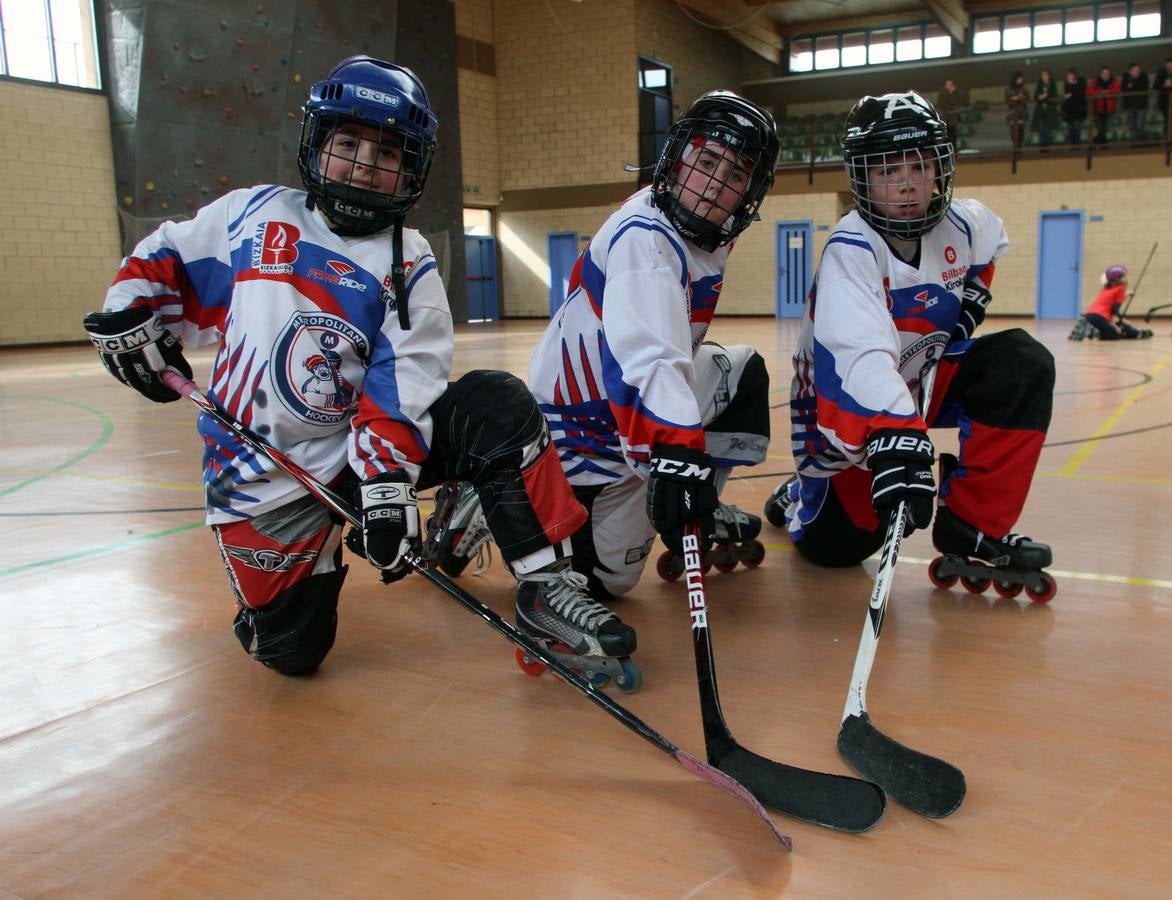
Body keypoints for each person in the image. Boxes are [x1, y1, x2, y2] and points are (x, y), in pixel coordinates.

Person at [82, 57, 636, 683]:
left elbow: (403, 386)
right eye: (348, 143)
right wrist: (126, 319)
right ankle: (283, 597)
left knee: (497, 405)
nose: (365, 164)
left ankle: (545, 589)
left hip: (355, 456)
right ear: (317, 143)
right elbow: (164, 261)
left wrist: (383, 491)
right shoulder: (252, 218)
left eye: (387, 152)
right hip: (258, 474)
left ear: (412, 169)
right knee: (292, 653)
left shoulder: (410, 262)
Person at [430, 91, 778, 607]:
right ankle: (490, 497)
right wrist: (678, 460)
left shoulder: (706, 230)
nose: (713, 186)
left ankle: (701, 501)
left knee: (743, 374)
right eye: (707, 162)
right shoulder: (646, 240)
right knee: (604, 582)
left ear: (748, 193)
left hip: (634, 397)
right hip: (583, 420)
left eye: (734, 176)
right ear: (678, 158)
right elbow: (648, 363)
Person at [762, 91, 1055, 581]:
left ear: (939, 169)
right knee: (843, 547)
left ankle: (971, 523)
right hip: (845, 410)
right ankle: (798, 495)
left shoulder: (963, 222)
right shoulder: (851, 250)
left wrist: (971, 304)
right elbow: (860, 364)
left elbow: (992, 242)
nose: (906, 185)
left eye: (918, 167)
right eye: (887, 171)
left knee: (1022, 363)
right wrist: (899, 442)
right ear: (864, 179)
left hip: (919, 384)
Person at [1084, 265, 1152, 339]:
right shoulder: (1121, 288)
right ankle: (1095, 332)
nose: (1125, 278)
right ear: (1117, 279)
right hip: (1100, 317)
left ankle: (1094, 330)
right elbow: (1114, 309)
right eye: (1123, 276)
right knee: (1116, 335)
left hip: (1090, 315)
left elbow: (1112, 298)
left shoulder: (1107, 288)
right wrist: (1119, 321)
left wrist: (1128, 294)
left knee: (1114, 330)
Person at [1087, 66, 1120, 144]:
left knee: (1106, 128)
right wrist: (1100, 92)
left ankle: (1101, 142)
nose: (1105, 75)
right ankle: (1102, 143)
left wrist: (1108, 92)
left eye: (1107, 73)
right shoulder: (1095, 81)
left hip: (1109, 109)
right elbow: (1088, 91)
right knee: (1099, 128)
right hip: (1098, 108)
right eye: (1104, 73)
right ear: (1101, 74)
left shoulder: (1113, 81)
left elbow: (1117, 90)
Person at [1120, 62, 1150, 141]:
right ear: (1130, 71)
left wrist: (1132, 85)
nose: (1137, 72)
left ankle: (1141, 141)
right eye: (1134, 70)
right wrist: (1134, 86)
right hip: (1130, 105)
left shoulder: (1144, 77)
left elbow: (1144, 87)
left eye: (1138, 70)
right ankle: (1134, 142)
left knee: (1140, 124)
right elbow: (1124, 88)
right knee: (1132, 125)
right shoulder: (1126, 77)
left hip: (1141, 105)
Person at [1031, 68, 1058, 148]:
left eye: (1045, 75)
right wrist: (1041, 96)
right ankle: (1043, 147)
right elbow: (1036, 96)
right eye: (1042, 75)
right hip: (1041, 110)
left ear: (1049, 75)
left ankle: (1049, 146)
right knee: (1041, 129)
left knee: (1049, 129)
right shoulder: (1039, 83)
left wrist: (1046, 96)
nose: (1043, 76)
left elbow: (1054, 94)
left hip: (1050, 109)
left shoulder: (1052, 83)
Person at [935, 79, 966, 144]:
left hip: (953, 118)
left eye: (951, 85)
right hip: (946, 118)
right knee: (947, 135)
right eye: (948, 85)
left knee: (954, 134)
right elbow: (941, 104)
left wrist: (953, 93)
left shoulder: (957, 93)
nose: (949, 86)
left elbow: (959, 103)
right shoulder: (942, 94)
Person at [1062, 68, 1088, 145]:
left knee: (1077, 127)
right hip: (1069, 110)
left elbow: (1081, 92)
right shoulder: (1066, 83)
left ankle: (1077, 145)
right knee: (1071, 128)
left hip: (1079, 109)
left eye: (1070, 74)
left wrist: (1072, 94)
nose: (1068, 76)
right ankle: (1073, 144)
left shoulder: (1082, 81)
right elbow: (1066, 94)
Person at [1006, 71, 1030, 150]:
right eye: (1019, 78)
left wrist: (1020, 97)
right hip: (1012, 113)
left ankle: (1019, 148)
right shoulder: (1009, 88)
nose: (1021, 80)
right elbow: (1008, 98)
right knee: (1014, 133)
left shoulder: (1024, 88)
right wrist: (1017, 97)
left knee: (1021, 132)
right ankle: (1016, 148)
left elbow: (1027, 97)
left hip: (1022, 112)